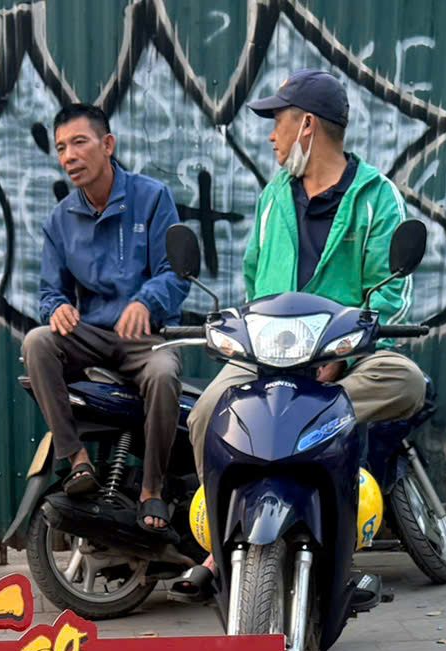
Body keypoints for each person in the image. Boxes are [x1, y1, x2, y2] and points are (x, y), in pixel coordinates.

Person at [174, 69, 428, 600]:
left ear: (307, 125)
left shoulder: (375, 197)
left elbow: (388, 292)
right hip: (268, 355)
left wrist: (340, 355)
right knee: (204, 415)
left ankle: (335, 537)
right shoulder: (273, 197)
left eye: (279, 122)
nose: (272, 136)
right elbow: (253, 277)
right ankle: (220, 544)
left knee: (405, 380)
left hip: (343, 353)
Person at [20, 102, 188, 536]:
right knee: (37, 342)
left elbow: (175, 274)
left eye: (79, 142)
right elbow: (49, 292)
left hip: (145, 339)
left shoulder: (151, 198)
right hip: (90, 336)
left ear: (107, 144)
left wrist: (146, 302)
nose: (69, 156)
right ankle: (76, 459)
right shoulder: (60, 220)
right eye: (61, 148)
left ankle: (152, 488)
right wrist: (57, 309)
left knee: (164, 373)